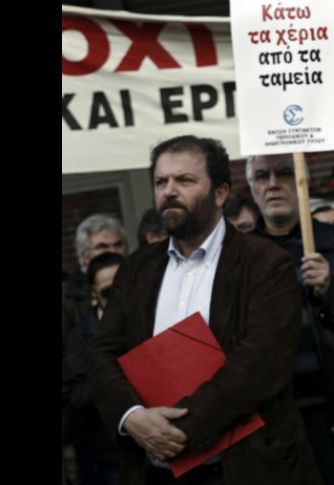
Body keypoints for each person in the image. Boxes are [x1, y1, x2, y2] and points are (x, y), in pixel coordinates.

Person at [88, 135, 320, 485]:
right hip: (153, 469)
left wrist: (175, 431)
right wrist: (131, 416)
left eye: (185, 180)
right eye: (161, 181)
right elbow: (102, 352)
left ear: (220, 193)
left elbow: (259, 364)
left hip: (245, 468)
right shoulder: (135, 269)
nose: (169, 191)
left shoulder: (265, 263)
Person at [247, 153, 334, 485]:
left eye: (285, 173)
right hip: (275, 426)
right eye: (262, 176)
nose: (274, 184)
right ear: (251, 187)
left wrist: (332, 291)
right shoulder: (240, 256)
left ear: (304, 182)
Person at [63, 252, 125, 485]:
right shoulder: (79, 338)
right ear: (93, 293)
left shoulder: (148, 321)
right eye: (109, 292)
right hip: (107, 457)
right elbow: (77, 397)